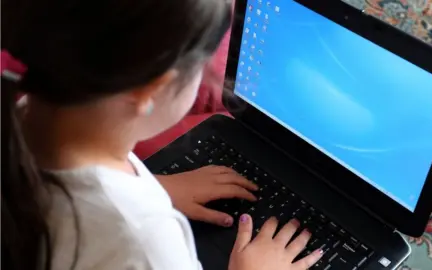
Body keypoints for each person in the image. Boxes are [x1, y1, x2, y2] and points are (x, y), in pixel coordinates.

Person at [1, 0, 325, 269]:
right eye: (201, 66)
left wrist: (155, 186)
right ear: (150, 91)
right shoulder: (145, 239)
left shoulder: (26, 113)